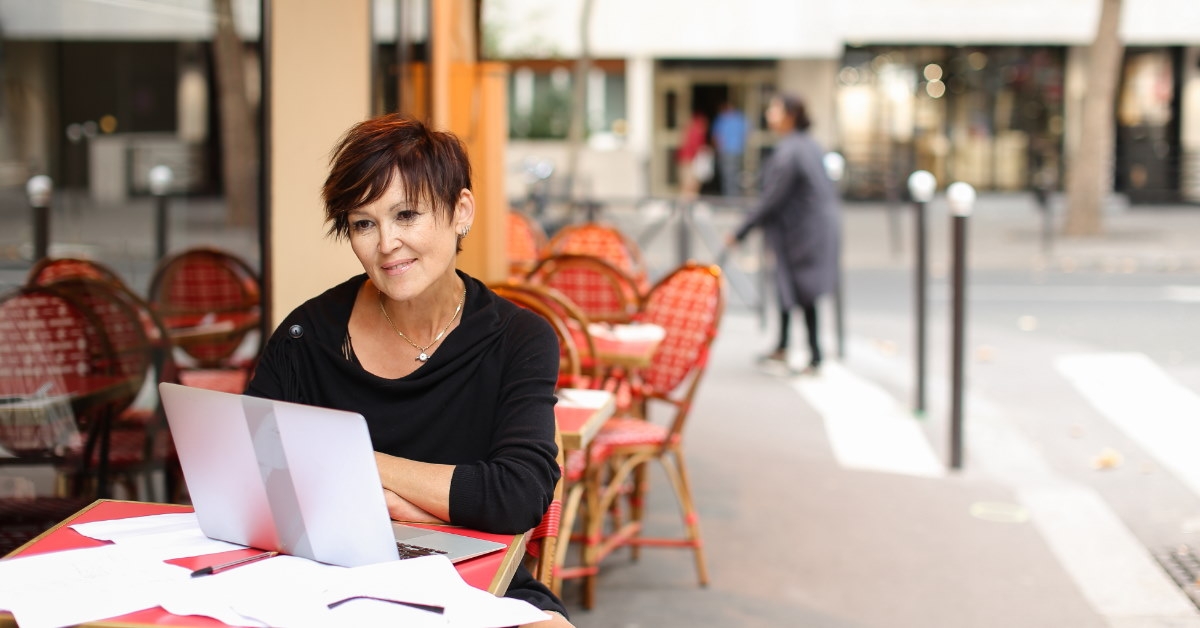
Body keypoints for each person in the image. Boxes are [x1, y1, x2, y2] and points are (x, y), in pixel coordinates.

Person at [245, 113, 572, 627]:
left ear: (461, 211)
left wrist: (361, 465)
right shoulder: (306, 336)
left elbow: (515, 496)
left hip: (472, 583)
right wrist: (434, 506)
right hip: (326, 580)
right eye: (363, 223)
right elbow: (252, 481)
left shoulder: (518, 340)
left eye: (407, 215)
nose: (386, 244)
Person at [725, 93, 840, 375]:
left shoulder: (791, 151)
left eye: (775, 110)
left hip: (803, 232)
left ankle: (814, 356)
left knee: (802, 290)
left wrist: (740, 232)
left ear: (790, 115)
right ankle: (784, 345)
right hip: (809, 228)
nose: (769, 115)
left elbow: (772, 198)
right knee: (790, 287)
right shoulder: (807, 146)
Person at [711, 101, 748, 197]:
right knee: (734, 174)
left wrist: (718, 149)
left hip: (727, 151)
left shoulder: (723, 119)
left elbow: (716, 136)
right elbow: (748, 131)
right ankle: (733, 196)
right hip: (737, 150)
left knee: (728, 175)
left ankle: (730, 197)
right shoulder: (740, 118)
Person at [676, 111, 711, 199]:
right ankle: (687, 204)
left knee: (687, 183)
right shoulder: (698, 131)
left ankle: (686, 202)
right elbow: (696, 146)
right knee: (690, 184)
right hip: (690, 160)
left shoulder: (688, 129)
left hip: (686, 159)